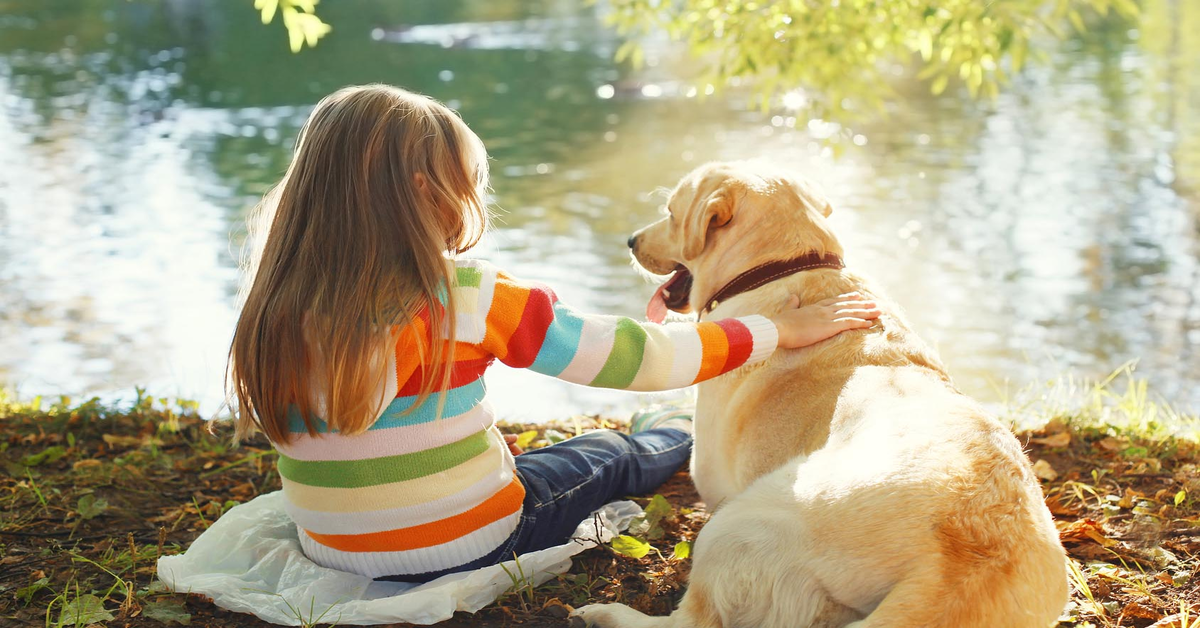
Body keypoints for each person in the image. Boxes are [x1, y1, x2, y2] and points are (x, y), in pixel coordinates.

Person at [226, 84, 881, 584]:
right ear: (426, 192)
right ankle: (675, 436)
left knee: (512, 451)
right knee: (606, 454)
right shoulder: (462, 296)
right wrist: (772, 329)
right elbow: (634, 357)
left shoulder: (275, 302)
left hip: (331, 547)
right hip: (469, 543)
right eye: (468, 185)